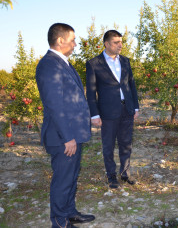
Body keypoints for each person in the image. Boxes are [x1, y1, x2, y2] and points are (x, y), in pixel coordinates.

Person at [36, 23, 95, 228]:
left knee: (70, 177)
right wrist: (67, 137)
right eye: (73, 40)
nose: (75, 44)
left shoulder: (62, 63)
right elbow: (55, 105)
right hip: (63, 137)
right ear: (60, 40)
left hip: (72, 135)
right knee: (62, 180)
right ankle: (60, 222)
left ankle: (69, 213)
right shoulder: (49, 65)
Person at [86, 30, 139, 189]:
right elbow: (90, 92)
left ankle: (125, 173)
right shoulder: (94, 63)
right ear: (106, 44)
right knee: (108, 146)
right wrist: (94, 114)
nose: (120, 45)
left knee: (126, 143)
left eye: (121, 42)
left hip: (127, 109)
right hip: (107, 112)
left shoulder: (125, 61)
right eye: (116, 42)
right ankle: (111, 176)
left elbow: (131, 85)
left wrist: (135, 106)